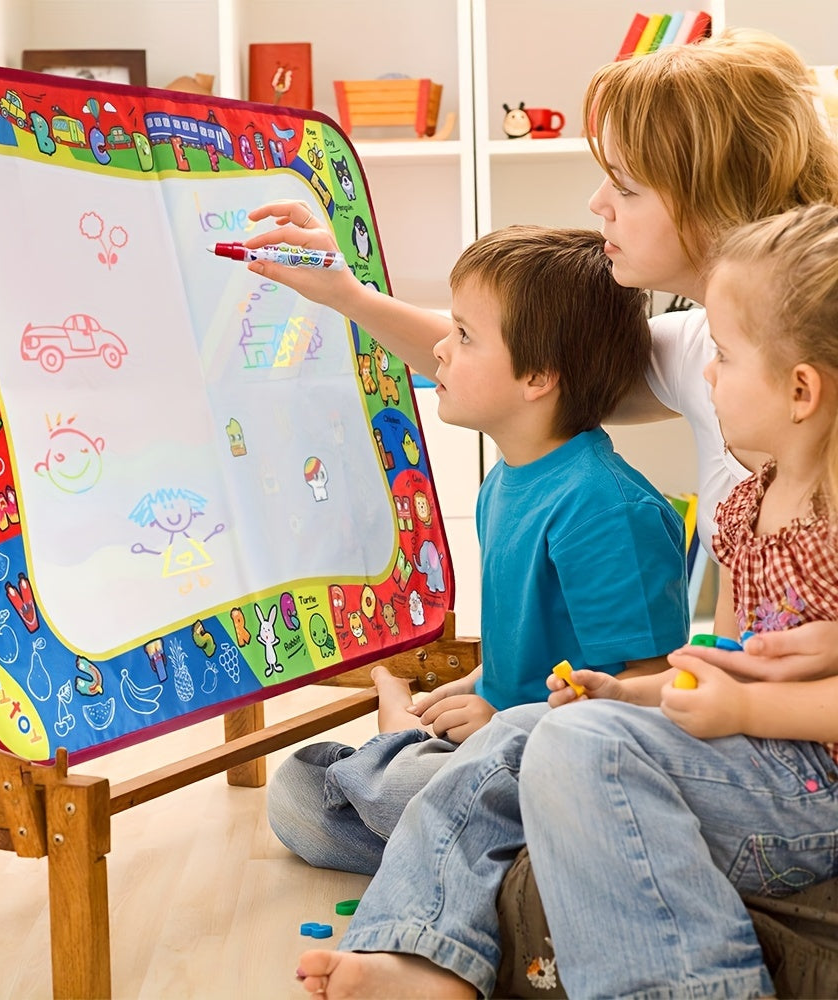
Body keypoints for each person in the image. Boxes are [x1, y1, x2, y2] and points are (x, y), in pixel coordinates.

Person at [244, 27, 838, 1000]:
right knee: (420, 775)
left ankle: (440, 920)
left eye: (627, 184)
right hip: (712, 746)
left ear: (709, 201)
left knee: (525, 773)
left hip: (777, 773)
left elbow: (522, 361)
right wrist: (342, 295)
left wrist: (697, 699)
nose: (597, 204)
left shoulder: (755, 376)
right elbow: (498, 354)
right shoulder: (703, 350)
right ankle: (423, 937)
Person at [266, 226, 689, 875]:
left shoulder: (605, 510)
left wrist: (499, 714)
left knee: (319, 795)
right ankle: (464, 834)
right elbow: (531, 648)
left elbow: (638, 690)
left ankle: (458, 823)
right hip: (493, 750)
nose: (439, 347)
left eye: (464, 335)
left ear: (539, 377)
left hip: (559, 763)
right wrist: (480, 684)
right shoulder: (505, 482)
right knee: (303, 792)